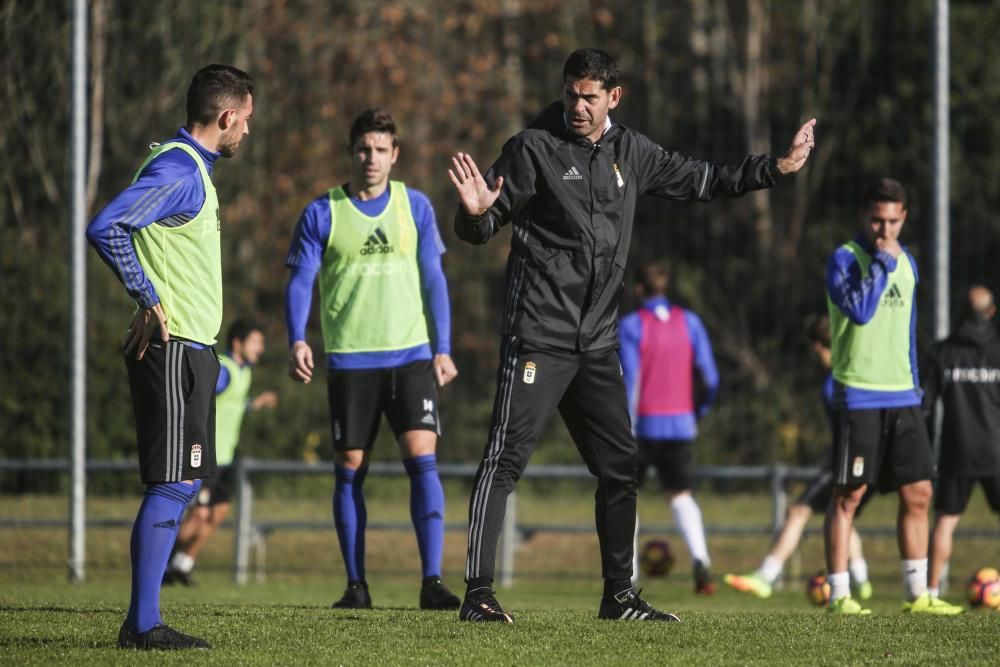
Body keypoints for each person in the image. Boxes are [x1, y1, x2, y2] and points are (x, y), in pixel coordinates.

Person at [448, 47, 815, 623]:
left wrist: (777, 168)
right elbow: (483, 224)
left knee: (621, 467)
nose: (577, 105)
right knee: (505, 459)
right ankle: (478, 594)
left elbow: (704, 179)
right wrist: (474, 215)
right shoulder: (531, 149)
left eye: (589, 96)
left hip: (596, 345)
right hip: (538, 336)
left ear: (613, 98)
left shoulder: (633, 152)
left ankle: (619, 597)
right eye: (571, 93)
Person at [86, 64, 255, 649]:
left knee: (178, 483)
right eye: (247, 122)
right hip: (175, 347)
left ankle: (144, 620)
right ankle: (143, 624)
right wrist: (148, 296)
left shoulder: (190, 169)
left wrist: (150, 292)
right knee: (172, 483)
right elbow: (107, 226)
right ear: (227, 117)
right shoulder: (179, 168)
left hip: (190, 347)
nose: (247, 134)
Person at [285, 108, 461, 610]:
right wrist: (297, 338)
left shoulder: (416, 207)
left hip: (411, 358)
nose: (372, 158)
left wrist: (443, 348)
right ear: (351, 152)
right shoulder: (323, 212)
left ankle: (432, 583)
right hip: (350, 362)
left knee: (422, 463)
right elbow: (300, 281)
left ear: (395, 154)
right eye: (364, 149)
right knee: (349, 470)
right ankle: (356, 587)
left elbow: (434, 281)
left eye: (381, 149)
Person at [822, 177, 962, 615]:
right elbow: (860, 313)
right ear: (864, 216)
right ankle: (840, 595)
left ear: (903, 219)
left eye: (893, 222)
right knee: (850, 495)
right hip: (859, 394)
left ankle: (918, 595)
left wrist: (917, 387)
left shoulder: (910, 264)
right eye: (877, 221)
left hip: (903, 396)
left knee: (919, 493)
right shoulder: (845, 260)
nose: (885, 231)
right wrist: (881, 262)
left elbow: (907, 336)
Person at [725, 314, 874, 600]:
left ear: (819, 347)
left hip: (844, 458)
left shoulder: (835, 382)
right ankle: (862, 579)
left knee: (799, 511)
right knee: (844, 511)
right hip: (866, 458)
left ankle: (766, 576)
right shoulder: (858, 371)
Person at [618, 261, 719, 594]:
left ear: (638, 290)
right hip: (681, 426)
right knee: (681, 496)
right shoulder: (690, 322)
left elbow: (630, 380)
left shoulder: (632, 325)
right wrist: (696, 412)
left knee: (625, 495)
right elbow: (711, 378)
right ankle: (701, 561)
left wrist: (624, 424)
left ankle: (627, 576)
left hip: (642, 427)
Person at [164, 319, 278, 586]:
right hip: (206, 455)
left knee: (219, 512)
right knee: (200, 515)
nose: (260, 348)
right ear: (238, 343)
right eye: (256, 342)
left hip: (226, 458)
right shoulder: (224, 370)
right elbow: (201, 395)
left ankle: (183, 563)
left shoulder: (245, 372)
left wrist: (253, 404)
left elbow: (230, 405)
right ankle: (161, 560)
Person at [923, 286, 1000, 599]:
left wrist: (927, 451)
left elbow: (925, 406)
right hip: (997, 449)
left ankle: (929, 592)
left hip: (958, 449)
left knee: (944, 522)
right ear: (991, 312)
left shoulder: (943, 352)